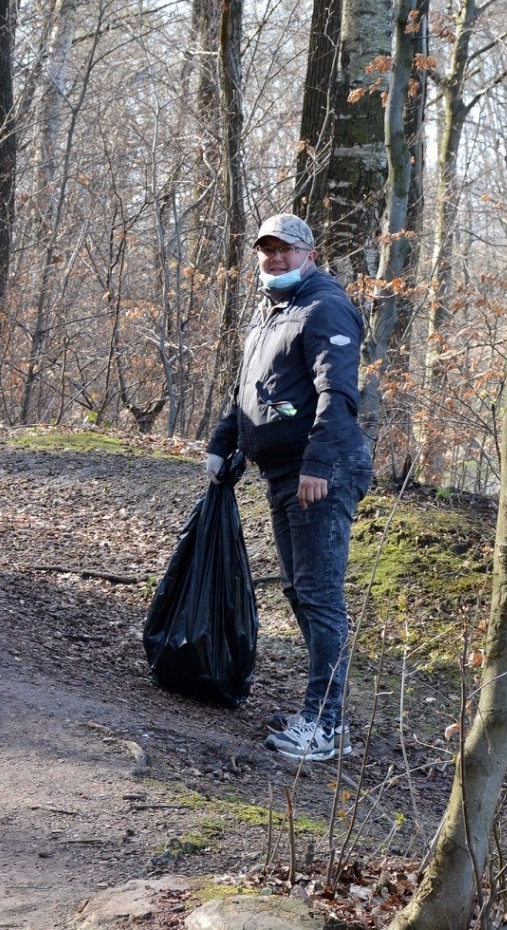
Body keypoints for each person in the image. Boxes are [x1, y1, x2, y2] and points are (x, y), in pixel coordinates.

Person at [205, 214, 373, 762]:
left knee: (321, 596)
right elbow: (249, 389)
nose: (275, 259)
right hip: (282, 470)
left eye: (286, 249)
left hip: (322, 468)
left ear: (311, 252)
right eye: (267, 251)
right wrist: (224, 441)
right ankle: (326, 713)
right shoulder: (271, 311)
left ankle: (323, 724)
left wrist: (318, 465)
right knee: (300, 591)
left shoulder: (325, 307)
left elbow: (339, 394)